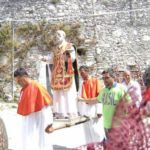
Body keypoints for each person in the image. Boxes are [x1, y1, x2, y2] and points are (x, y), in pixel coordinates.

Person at [14, 68, 53, 150]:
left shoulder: (37, 86)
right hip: (28, 121)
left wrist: (49, 123)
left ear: (24, 77)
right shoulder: (24, 89)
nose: (18, 83)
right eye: (17, 82)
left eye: (19, 81)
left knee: (41, 140)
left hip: (39, 119)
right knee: (28, 138)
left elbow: (46, 106)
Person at [43, 30, 79, 119]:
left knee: (67, 93)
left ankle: (69, 112)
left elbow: (73, 58)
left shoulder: (69, 46)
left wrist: (68, 56)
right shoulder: (55, 49)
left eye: (59, 34)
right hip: (57, 73)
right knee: (58, 93)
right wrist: (45, 59)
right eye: (56, 35)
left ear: (64, 36)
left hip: (66, 72)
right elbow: (51, 59)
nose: (57, 36)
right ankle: (59, 112)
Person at [97, 68, 129, 138]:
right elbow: (97, 100)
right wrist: (82, 99)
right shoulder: (103, 91)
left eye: (107, 78)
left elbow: (129, 105)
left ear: (113, 77)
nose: (105, 80)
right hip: (106, 125)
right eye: (103, 78)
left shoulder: (121, 88)